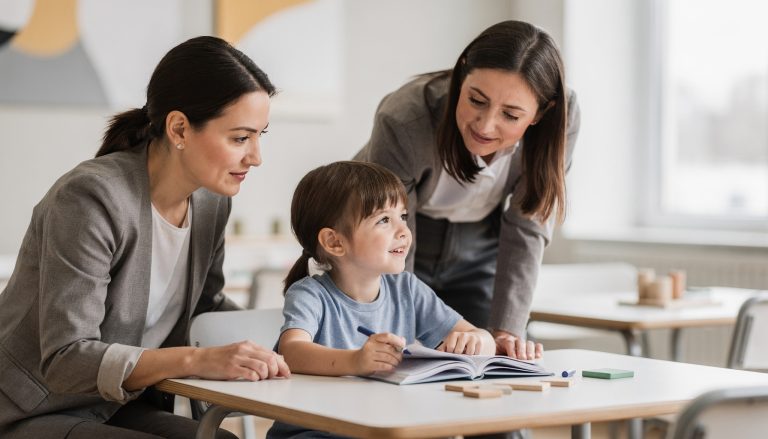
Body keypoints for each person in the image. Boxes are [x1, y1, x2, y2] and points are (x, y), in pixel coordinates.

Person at [0, 36, 290, 439]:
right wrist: (197, 359)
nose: (256, 156)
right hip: (33, 408)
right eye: (240, 138)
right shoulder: (90, 199)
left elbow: (207, 309)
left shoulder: (211, 203)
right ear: (179, 128)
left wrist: (297, 338)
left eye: (261, 135)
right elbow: (67, 358)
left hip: (116, 405)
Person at [355, 20, 581, 362]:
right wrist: (399, 332)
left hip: (480, 243)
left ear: (541, 113)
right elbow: (389, 233)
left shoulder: (561, 119)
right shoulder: (405, 119)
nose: (486, 125)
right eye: (476, 100)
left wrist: (507, 330)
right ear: (461, 77)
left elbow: (529, 226)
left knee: (497, 363)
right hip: (400, 237)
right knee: (401, 360)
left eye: (510, 114)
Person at [267, 161, 495, 439]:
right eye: (384, 220)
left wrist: (477, 340)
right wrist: (356, 361)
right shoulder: (310, 294)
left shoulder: (407, 289)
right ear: (334, 242)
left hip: (384, 429)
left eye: (403, 215)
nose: (403, 230)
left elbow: (479, 337)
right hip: (315, 433)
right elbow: (292, 351)